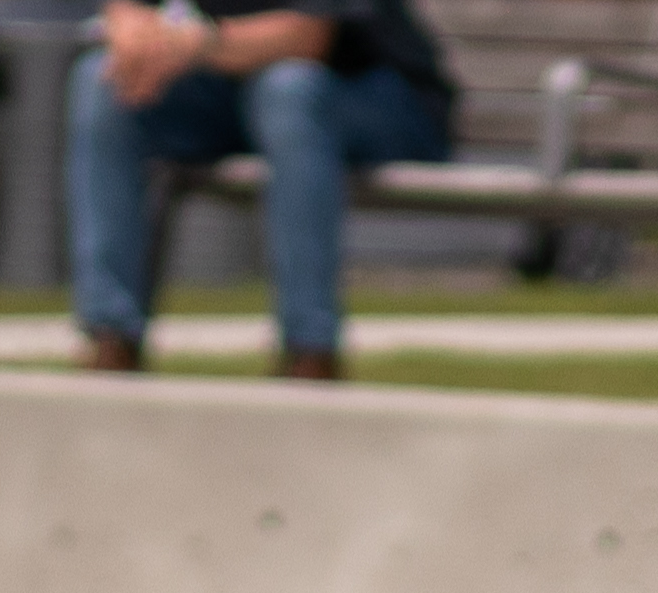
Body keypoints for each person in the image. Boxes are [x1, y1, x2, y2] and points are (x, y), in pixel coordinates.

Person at [66, 0, 457, 380]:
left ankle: (309, 350)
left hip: (376, 98)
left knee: (289, 88)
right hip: (243, 96)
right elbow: (127, 11)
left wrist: (194, 44)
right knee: (100, 79)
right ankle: (110, 335)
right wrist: (131, 31)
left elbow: (306, 38)